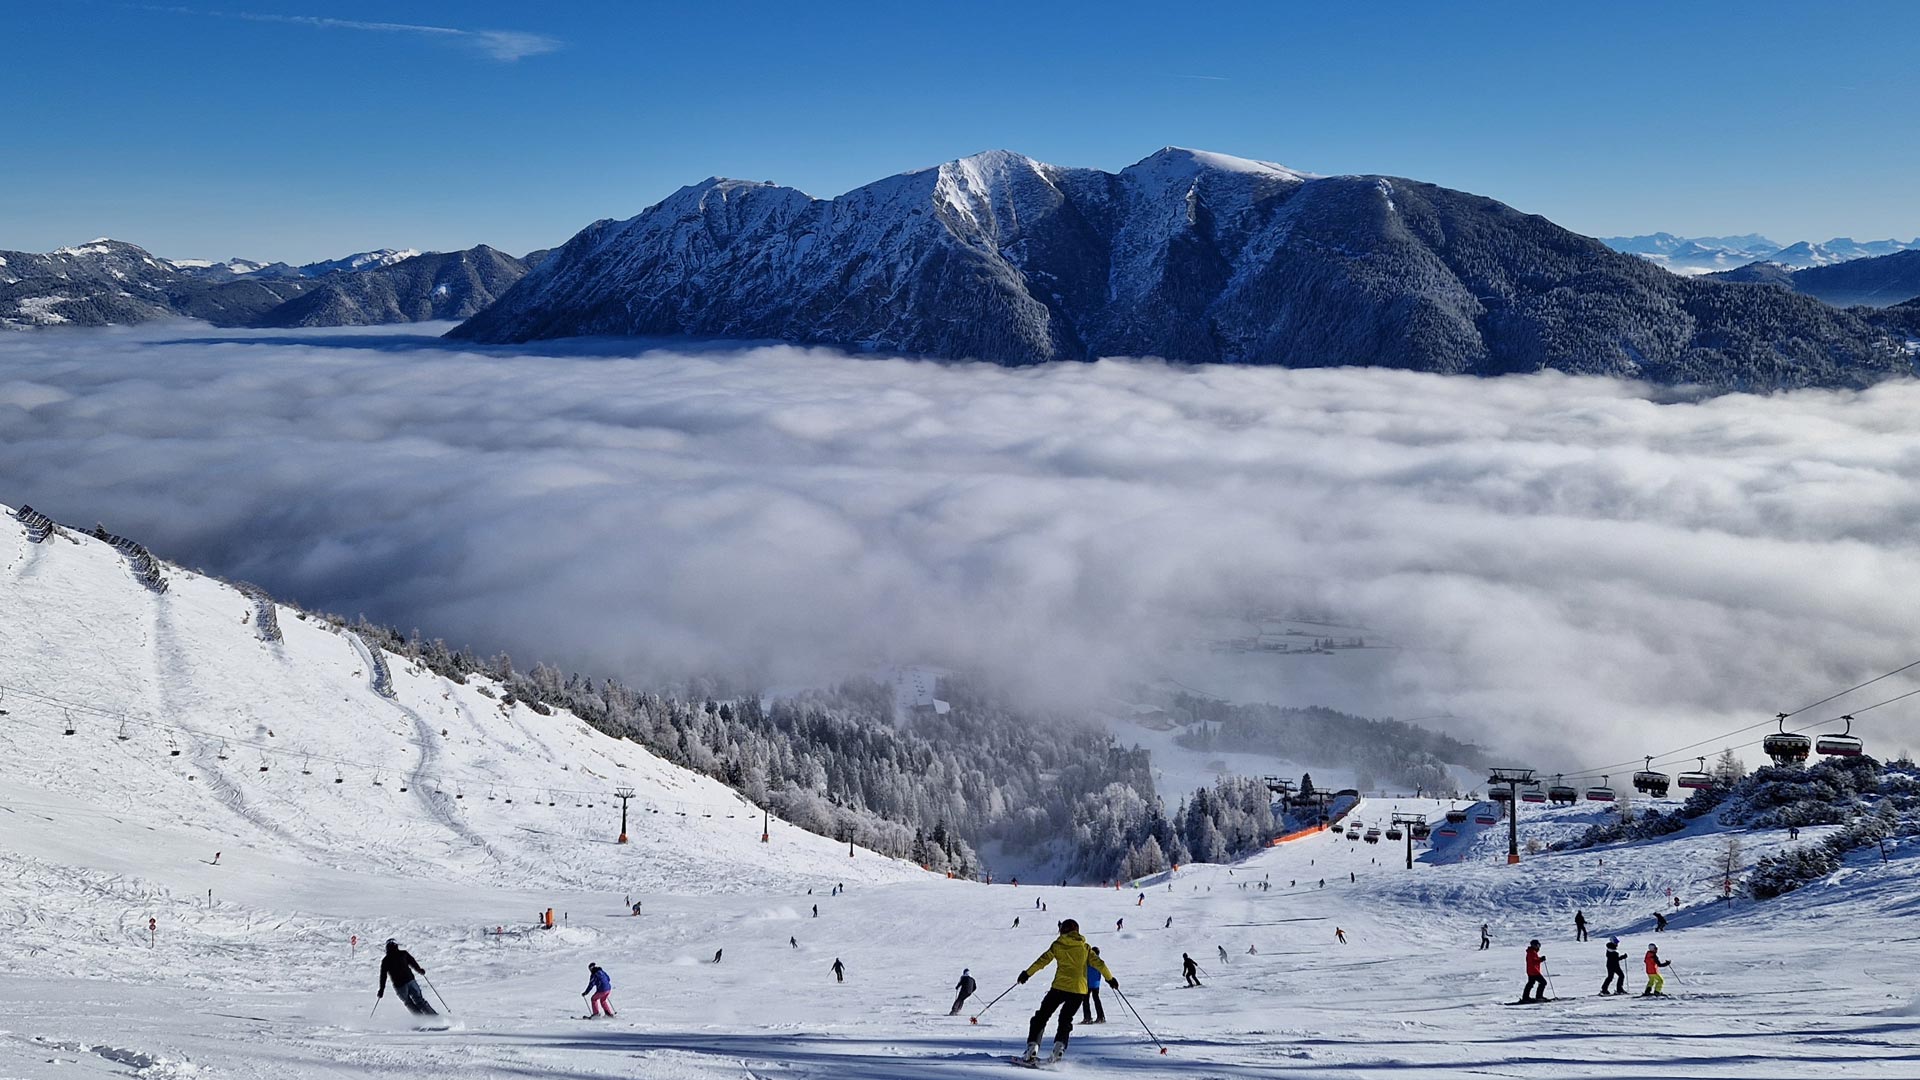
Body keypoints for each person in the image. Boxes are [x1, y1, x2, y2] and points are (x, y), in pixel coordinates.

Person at [1015, 918, 1115, 1065]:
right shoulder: (1085, 948)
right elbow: (1100, 964)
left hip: (1059, 988)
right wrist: (1110, 979)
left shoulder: (1058, 945)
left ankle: (1032, 1048)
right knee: (1065, 1019)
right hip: (1079, 990)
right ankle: (1059, 1048)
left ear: (1062, 930)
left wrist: (1027, 974)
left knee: (1041, 1016)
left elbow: (1042, 961)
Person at [377, 939, 436, 1015]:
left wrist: (381, 990)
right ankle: (434, 1017)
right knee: (419, 1000)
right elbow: (413, 962)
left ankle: (421, 1020)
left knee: (408, 1002)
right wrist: (419, 970)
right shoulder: (403, 954)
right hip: (410, 981)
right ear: (396, 946)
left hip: (399, 985)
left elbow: (383, 976)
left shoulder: (385, 960)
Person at [1080, 947, 1107, 1024]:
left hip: (1087, 984)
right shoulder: (1100, 962)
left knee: (1085, 1001)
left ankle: (1087, 1018)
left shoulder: (1088, 961)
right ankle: (1100, 1017)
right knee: (1096, 1000)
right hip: (1096, 984)